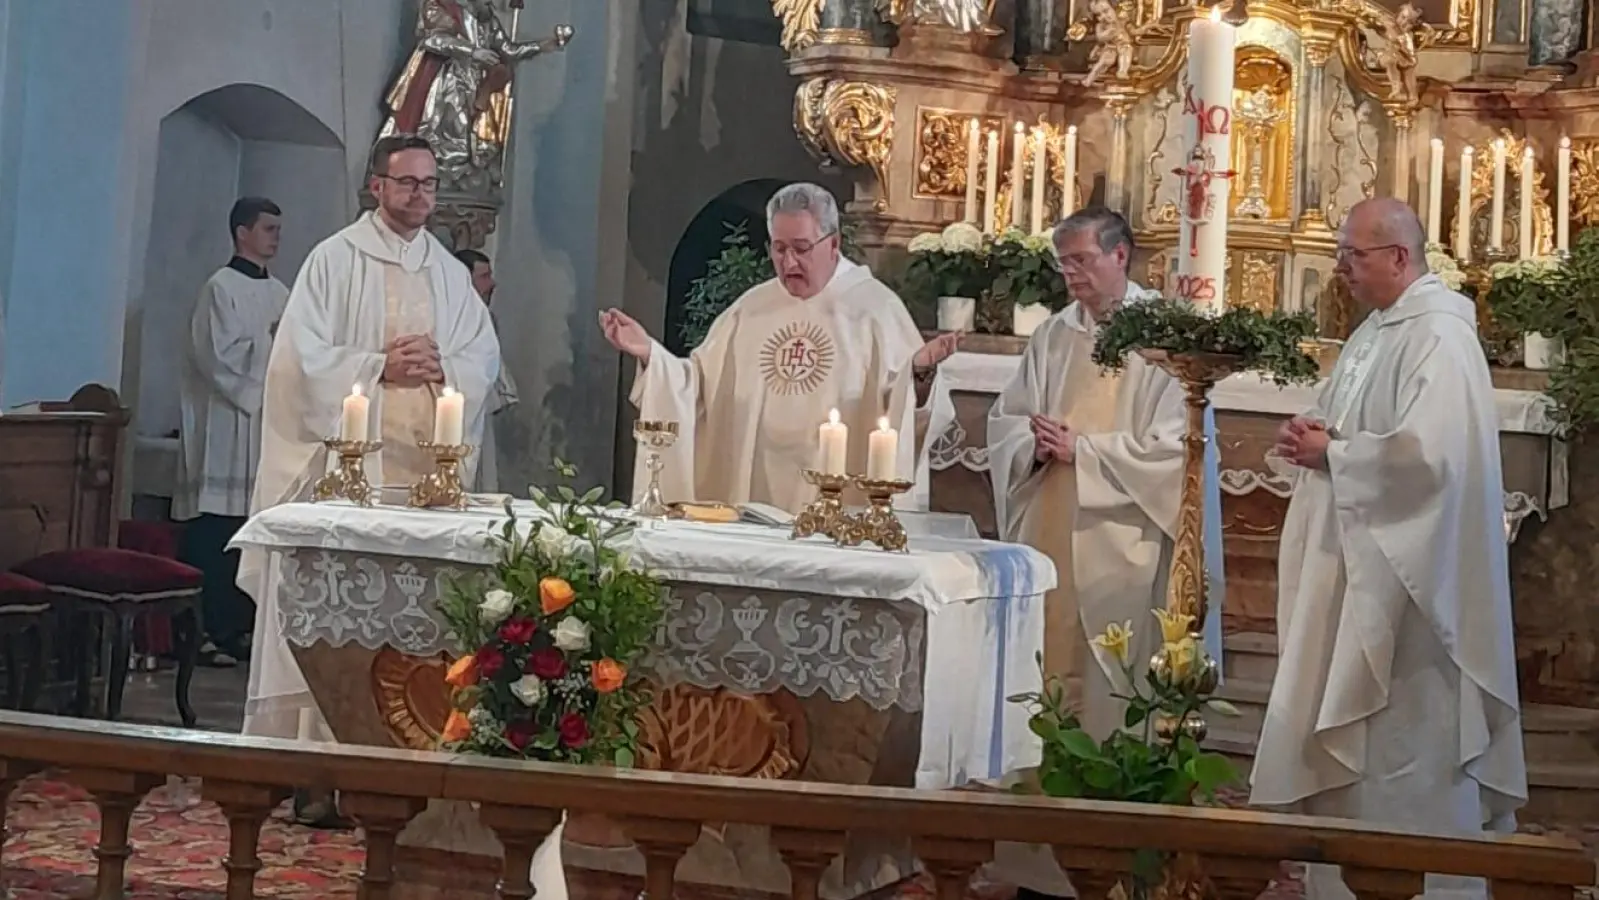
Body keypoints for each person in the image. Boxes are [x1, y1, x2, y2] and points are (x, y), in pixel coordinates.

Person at [1250, 198, 1525, 900]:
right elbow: (1355, 425)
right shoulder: (1378, 329)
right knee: (1362, 749)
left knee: (1403, 740)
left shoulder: (1438, 334)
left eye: (1352, 255)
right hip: (1361, 570)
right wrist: (1315, 436)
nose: (1339, 268)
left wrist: (1335, 454)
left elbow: (1430, 460)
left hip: (1410, 597)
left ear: (1398, 258)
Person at [239, 134, 500, 825]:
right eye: (406, 182)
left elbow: (483, 354)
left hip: (425, 481)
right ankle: (315, 771)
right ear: (376, 187)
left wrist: (445, 365)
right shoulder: (333, 261)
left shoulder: (447, 272)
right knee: (332, 623)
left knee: (416, 625)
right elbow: (297, 365)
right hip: (346, 481)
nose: (419, 195)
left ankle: (408, 765)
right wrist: (375, 367)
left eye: (429, 184)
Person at [598, 183, 959, 512]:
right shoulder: (751, 308)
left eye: (801, 249)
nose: (788, 263)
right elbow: (699, 386)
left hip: (841, 511)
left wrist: (919, 374)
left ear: (833, 244)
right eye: (779, 248)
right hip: (751, 495)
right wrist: (650, 354)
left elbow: (905, 410)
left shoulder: (876, 311)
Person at [175, 197, 290, 667]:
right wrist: (271, 338)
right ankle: (206, 632)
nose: (276, 237)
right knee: (215, 530)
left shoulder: (282, 290)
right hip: (226, 427)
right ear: (242, 233)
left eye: (279, 229)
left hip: (264, 425)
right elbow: (216, 356)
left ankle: (240, 628)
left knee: (251, 528)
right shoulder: (219, 288)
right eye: (268, 228)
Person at [454, 248, 519, 492]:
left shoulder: (486, 317)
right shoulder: (449, 318)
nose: (492, 283)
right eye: (484, 276)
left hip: (479, 407)